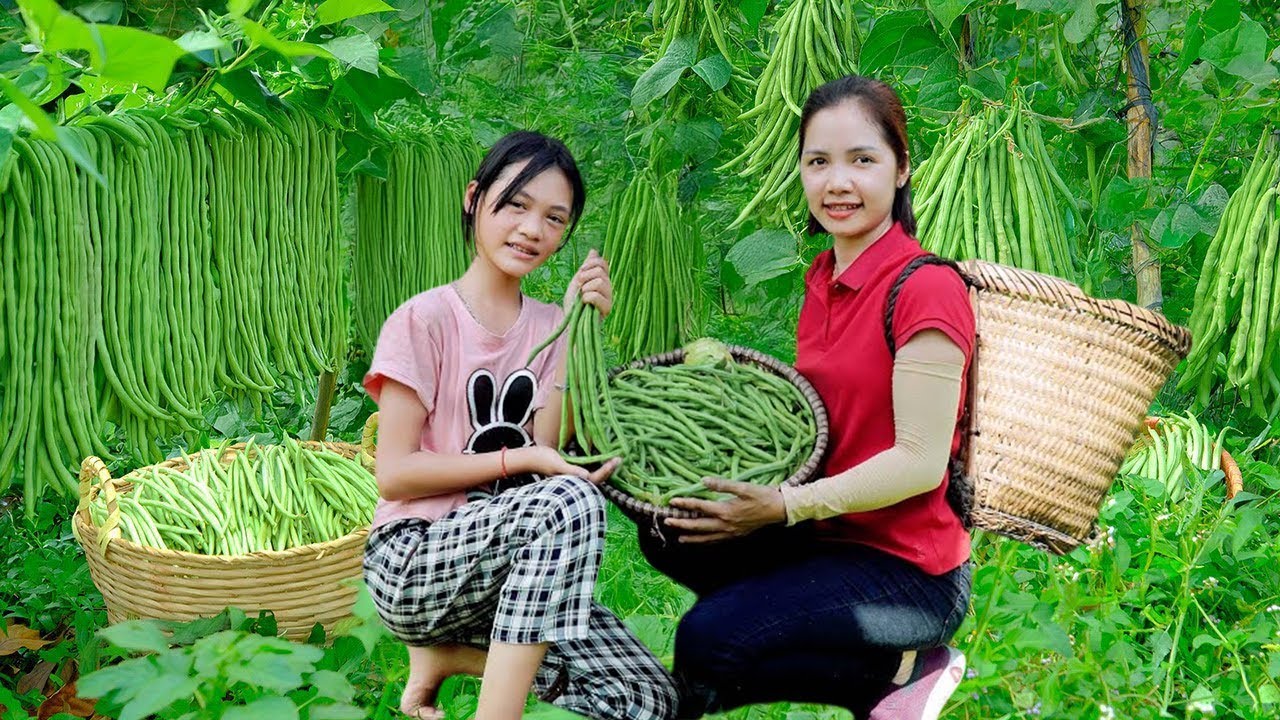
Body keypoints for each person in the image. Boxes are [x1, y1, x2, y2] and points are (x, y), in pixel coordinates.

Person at [639, 75, 975, 720]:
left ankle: (893, 671)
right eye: (818, 162)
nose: (837, 183)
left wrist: (786, 506)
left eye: (862, 160)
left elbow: (920, 461)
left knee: (709, 640)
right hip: (831, 536)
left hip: (909, 570)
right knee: (671, 531)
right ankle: (839, 654)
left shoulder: (927, 288)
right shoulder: (823, 278)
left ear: (902, 169)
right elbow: (821, 421)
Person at [362, 130, 678, 720]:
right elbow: (396, 473)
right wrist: (522, 460)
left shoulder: (550, 324)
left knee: (647, 699)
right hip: (414, 562)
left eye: (554, 219)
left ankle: (450, 658)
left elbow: (548, 450)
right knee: (568, 503)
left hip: (511, 575)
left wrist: (582, 327)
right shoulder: (423, 320)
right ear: (474, 198)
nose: (533, 229)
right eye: (515, 205)